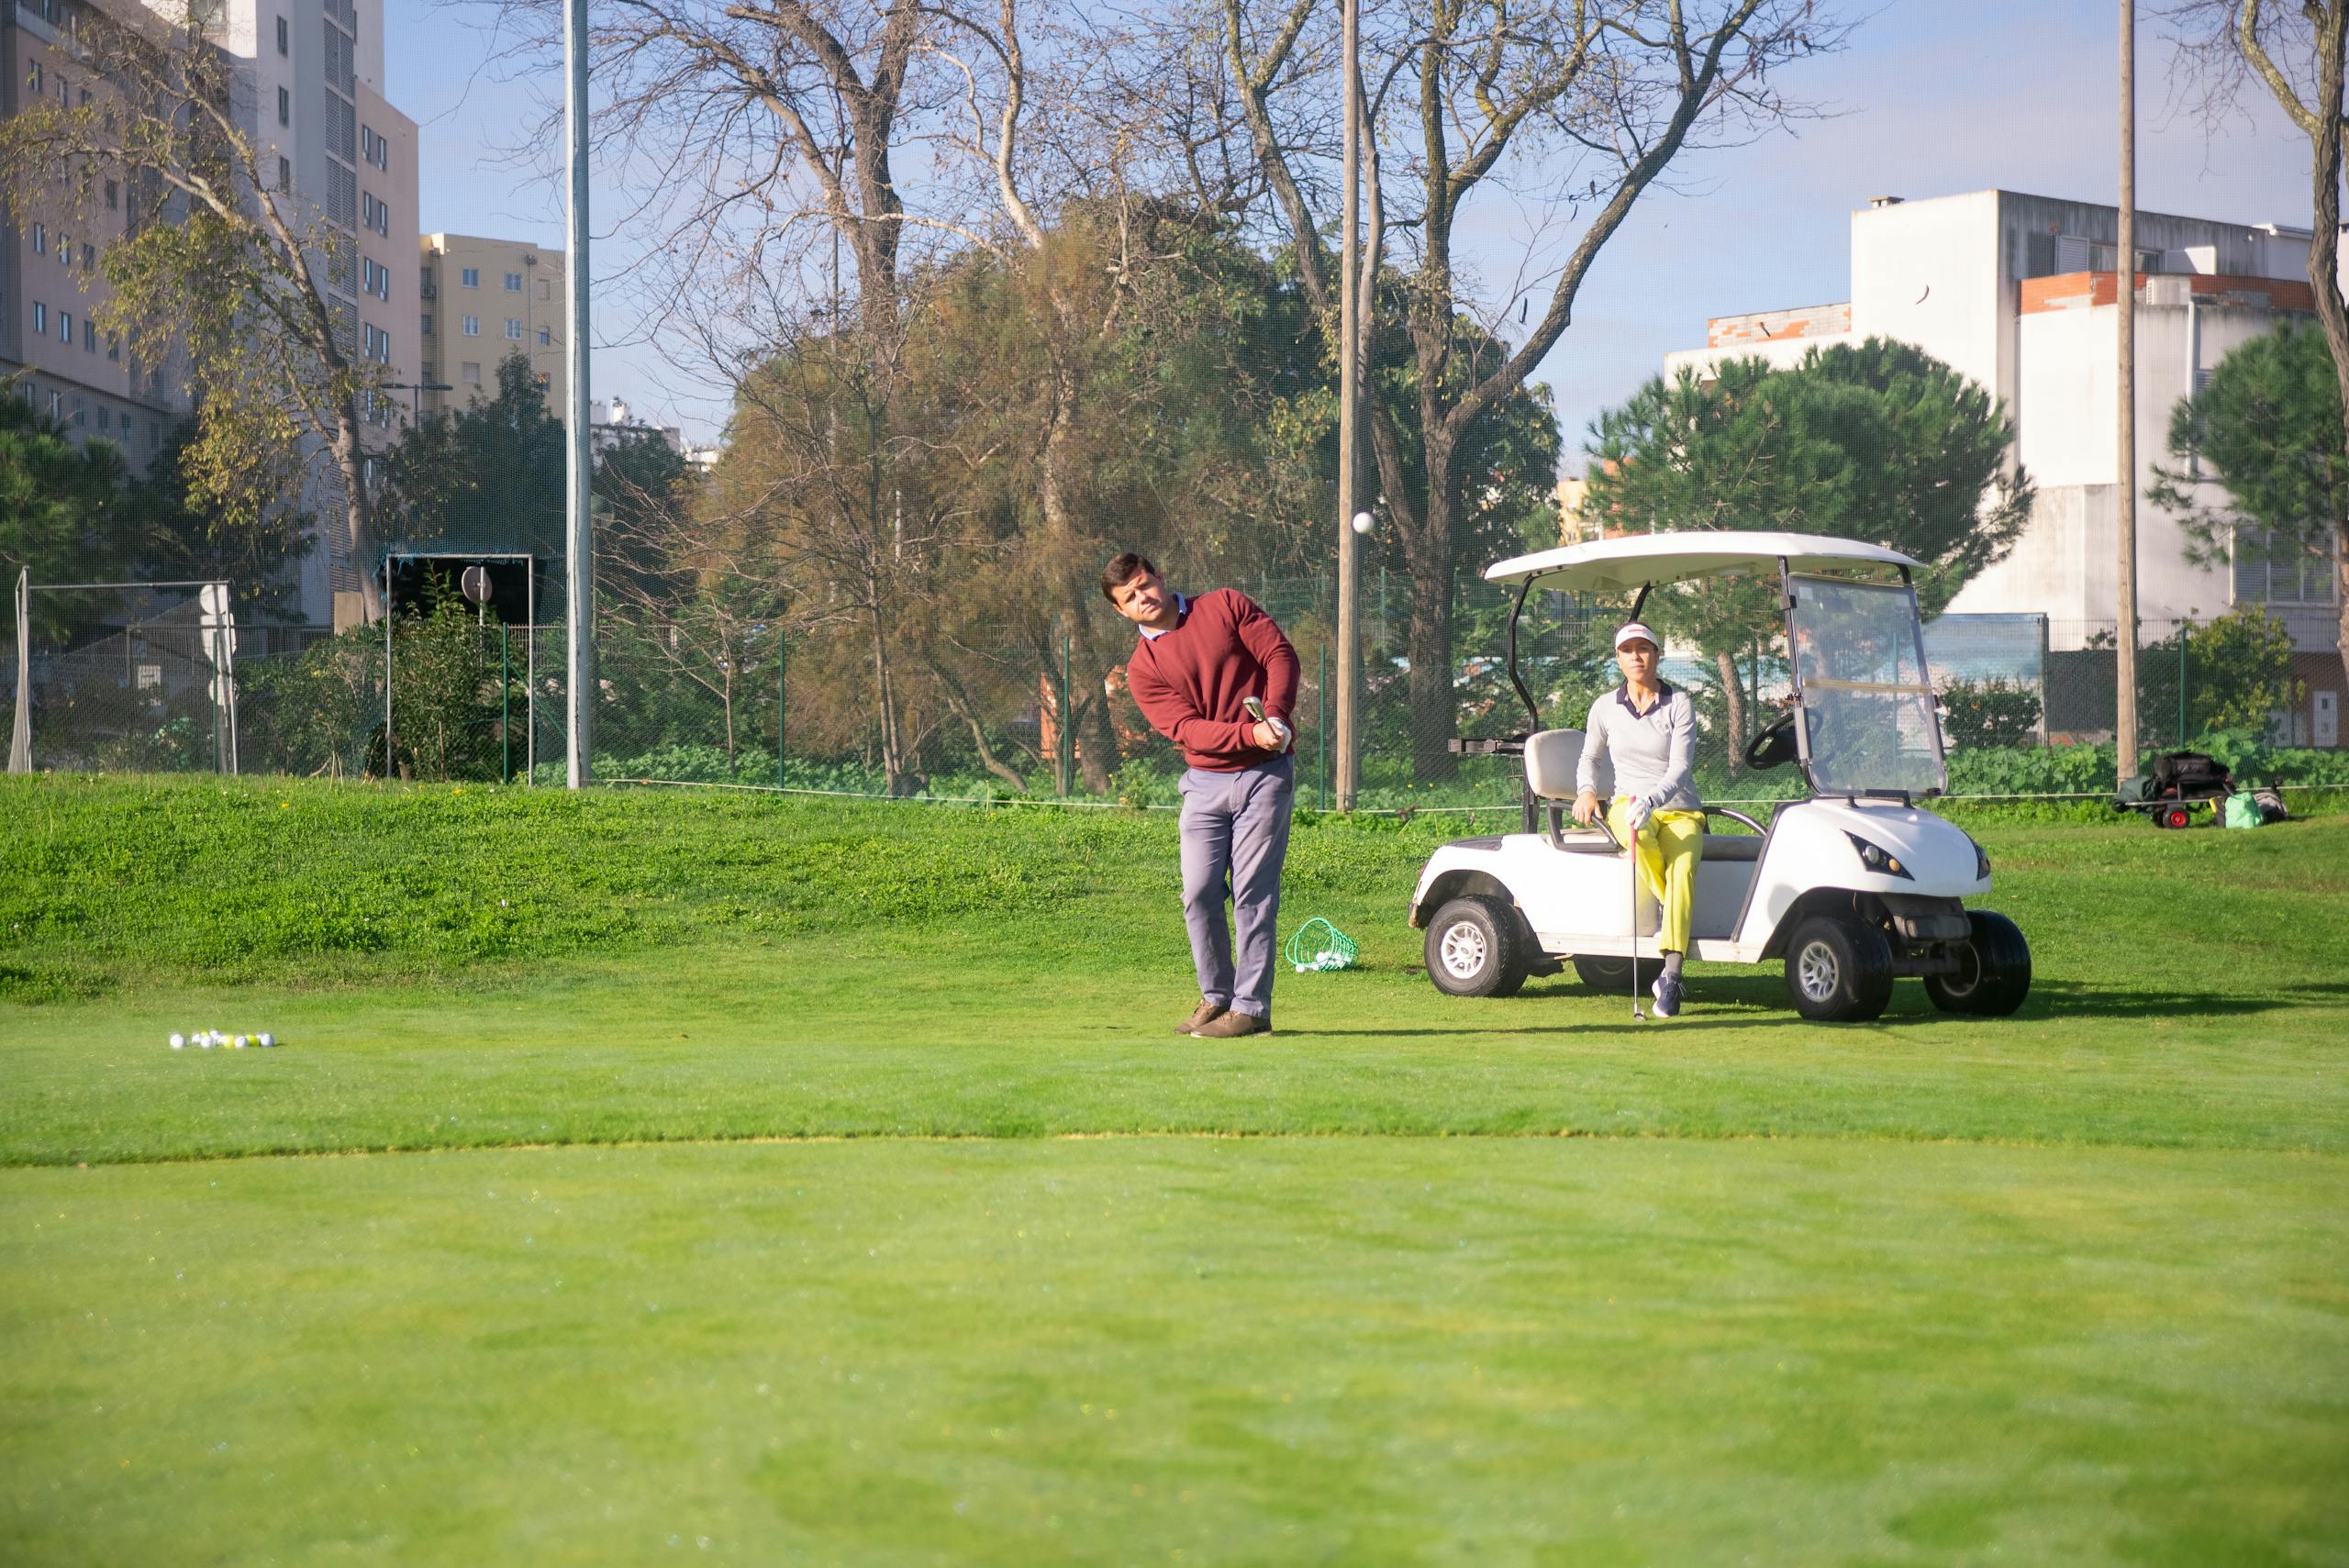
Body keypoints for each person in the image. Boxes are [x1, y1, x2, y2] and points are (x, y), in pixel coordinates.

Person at [1103, 552, 1299, 1039]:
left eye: (1144, 584)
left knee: (1254, 894)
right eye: (1129, 596)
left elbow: (1279, 655)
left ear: (1160, 578)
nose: (1142, 597)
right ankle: (1217, 998)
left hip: (1264, 774)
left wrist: (1274, 717)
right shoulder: (1142, 669)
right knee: (1198, 893)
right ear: (1120, 611)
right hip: (1203, 783)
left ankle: (1251, 1010)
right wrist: (1248, 735)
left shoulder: (1224, 605)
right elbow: (1188, 729)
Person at [1573, 621, 1703, 1018]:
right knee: (1639, 834)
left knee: (1683, 870)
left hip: (1679, 807)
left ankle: (1671, 975)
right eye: (1627, 650)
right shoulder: (1604, 707)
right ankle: (1671, 906)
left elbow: (1681, 766)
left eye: (1643, 648)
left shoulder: (1679, 703)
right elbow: (1590, 758)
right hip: (1627, 804)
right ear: (1618, 659)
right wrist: (1586, 790)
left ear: (1656, 655)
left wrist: (1653, 798)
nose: (1636, 656)